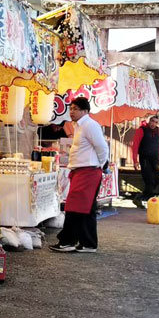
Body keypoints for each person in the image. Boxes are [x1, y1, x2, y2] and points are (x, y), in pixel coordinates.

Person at [50, 97, 109, 254]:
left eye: (75, 109)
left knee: (74, 207)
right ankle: (88, 243)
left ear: (85, 111)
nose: (72, 112)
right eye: (71, 109)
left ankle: (68, 241)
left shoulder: (90, 125)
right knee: (87, 209)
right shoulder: (78, 126)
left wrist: (100, 165)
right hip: (81, 171)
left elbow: (102, 148)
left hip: (88, 171)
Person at [131, 115, 159, 209]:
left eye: (156, 122)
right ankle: (146, 201)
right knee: (150, 181)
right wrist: (135, 160)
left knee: (156, 180)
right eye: (152, 121)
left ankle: (140, 197)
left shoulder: (158, 131)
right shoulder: (141, 130)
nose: (154, 124)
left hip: (155, 158)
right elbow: (135, 145)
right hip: (145, 158)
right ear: (149, 121)